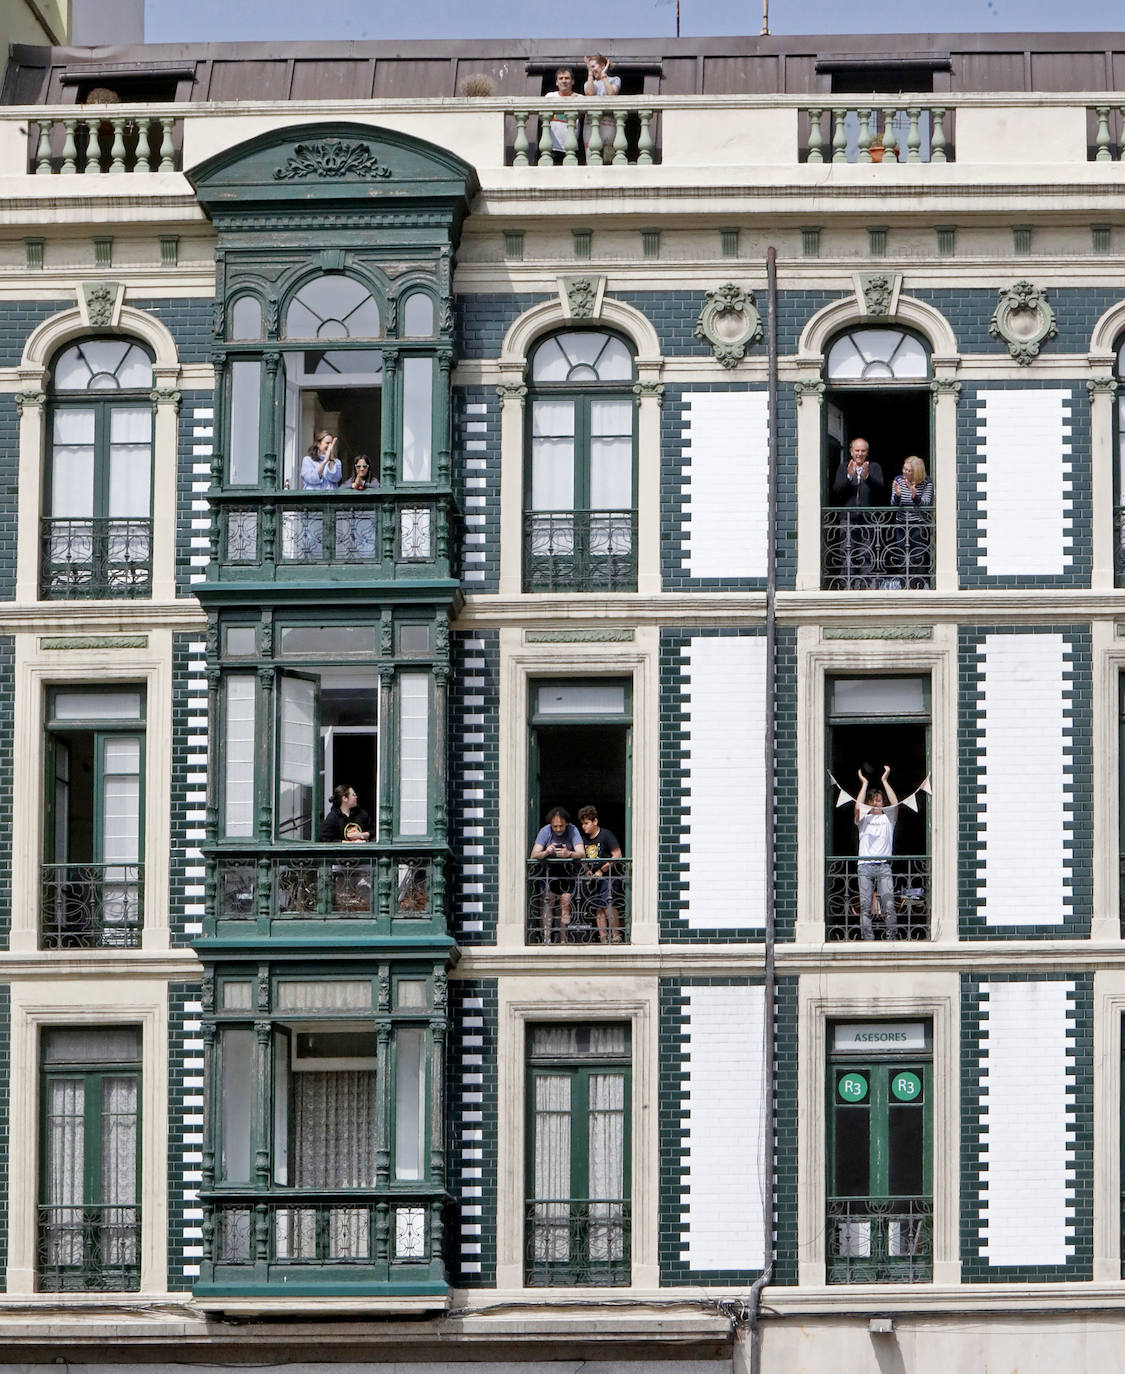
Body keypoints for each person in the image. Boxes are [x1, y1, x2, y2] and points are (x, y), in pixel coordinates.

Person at [831, 437, 885, 587]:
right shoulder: (843, 468)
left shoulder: (874, 468)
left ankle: (864, 585)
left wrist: (867, 477)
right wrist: (848, 477)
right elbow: (836, 491)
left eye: (863, 451)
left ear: (867, 452)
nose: (859, 454)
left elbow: (880, 490)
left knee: (866, 552)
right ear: (851, 451)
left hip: (868, 518)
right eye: (857, 450)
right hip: (847, 517)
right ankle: (846, 584)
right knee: (846, 551)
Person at [853, 766, 898, 940]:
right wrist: (864, 784)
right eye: (873, 801)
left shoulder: (888, 819)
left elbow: (895, 804)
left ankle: (891, 936)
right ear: (869, 804)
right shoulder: (864, 820)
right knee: (865, 906)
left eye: (879, 801)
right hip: (864, 866)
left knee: (889, 905)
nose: (876, 803)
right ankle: (867, 938)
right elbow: (857, 808)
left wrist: (885, 781)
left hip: (884, 866)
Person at [530, 806, 584, 943]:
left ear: (566, 823)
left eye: (561, 826)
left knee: (565, 904)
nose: (558, 829)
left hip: (567, 872)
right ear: (550, 825)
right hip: (549, 872)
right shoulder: (545, 831)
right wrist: (547, 852)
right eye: (555, 826)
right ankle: (546, 938)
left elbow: (581, 852)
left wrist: (569, 854)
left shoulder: (573, 830)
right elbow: (534, 854)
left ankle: (563, 940)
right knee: (547, 902)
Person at [578, 804, 623, 944]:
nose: (584, 827)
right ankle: (603, 938)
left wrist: (602, 870)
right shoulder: (584, 840)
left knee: (608, 904)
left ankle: (616, 935)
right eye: (582, 824)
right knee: (597, 908)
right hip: (594, 879)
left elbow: (617, 855)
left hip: (608, 876)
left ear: (595, 821)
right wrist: (587, 870)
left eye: (586, 823)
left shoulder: (606, 835)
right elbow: (582, 858)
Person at [889, 455, 934, 589]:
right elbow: (893, 504)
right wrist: (897, 495)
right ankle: (905, 586)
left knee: (917, 556)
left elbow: (926, 503)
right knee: (903, 556)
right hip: (901, 524)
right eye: (904, 469)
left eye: (908, 471)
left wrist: (915, 496)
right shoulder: (898, 480)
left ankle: (917, 586)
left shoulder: (927, 483)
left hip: (918, 525)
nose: (905, 472)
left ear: (917, 472)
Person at [583, 54, 621, 160]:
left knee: (607, 156)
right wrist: (590, 74)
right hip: (590, 123)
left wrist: (604, 75)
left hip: (608, 122)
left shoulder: (615, 80)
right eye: (589, 67)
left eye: (593, 66)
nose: (592, 69)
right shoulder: (589, 83)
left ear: (603, 65)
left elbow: (611, 93)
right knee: (590, 154)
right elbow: (589, 94)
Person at [545, 68, 580, 162]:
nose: (564, 81)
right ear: (556, 82)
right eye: (561, 78)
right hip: (552, 148)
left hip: (572, 148)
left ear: (573, 81)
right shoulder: (549, 97)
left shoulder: (580, 98)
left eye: (567, 78)